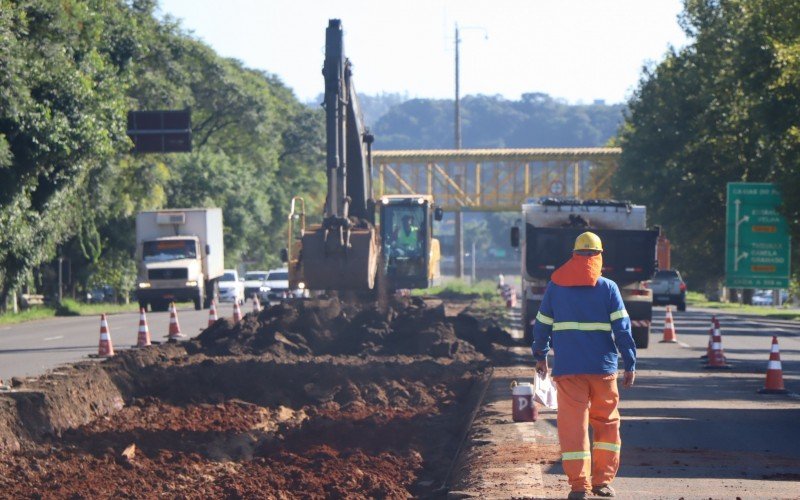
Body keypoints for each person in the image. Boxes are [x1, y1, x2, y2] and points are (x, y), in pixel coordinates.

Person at [531, 231, 636, 500]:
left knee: (573, 427)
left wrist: (540, 355)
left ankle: (579, 487)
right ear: (599, 256)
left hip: (568, 371)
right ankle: (602, 482)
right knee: (607, 425)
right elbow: (622, 329)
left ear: (574, 255)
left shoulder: (556, 286)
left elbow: (542, 324)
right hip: (603, 370)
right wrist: (630, 363)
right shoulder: (608, 288)